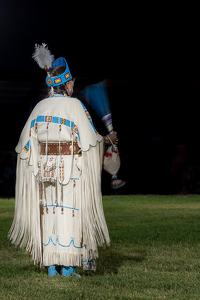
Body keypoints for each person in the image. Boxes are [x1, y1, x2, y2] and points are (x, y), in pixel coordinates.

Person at [8, 44, 117, 277]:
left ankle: (51, 267)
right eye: (71, 84)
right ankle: (67, 268)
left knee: (50, 214)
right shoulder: (74, 105)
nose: (72, 87)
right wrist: (108, 139)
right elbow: (91, 140)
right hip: (70, 173)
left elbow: (24, 144)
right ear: (67, 84)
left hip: (45, 172)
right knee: (68, 213)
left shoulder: (39, 107)